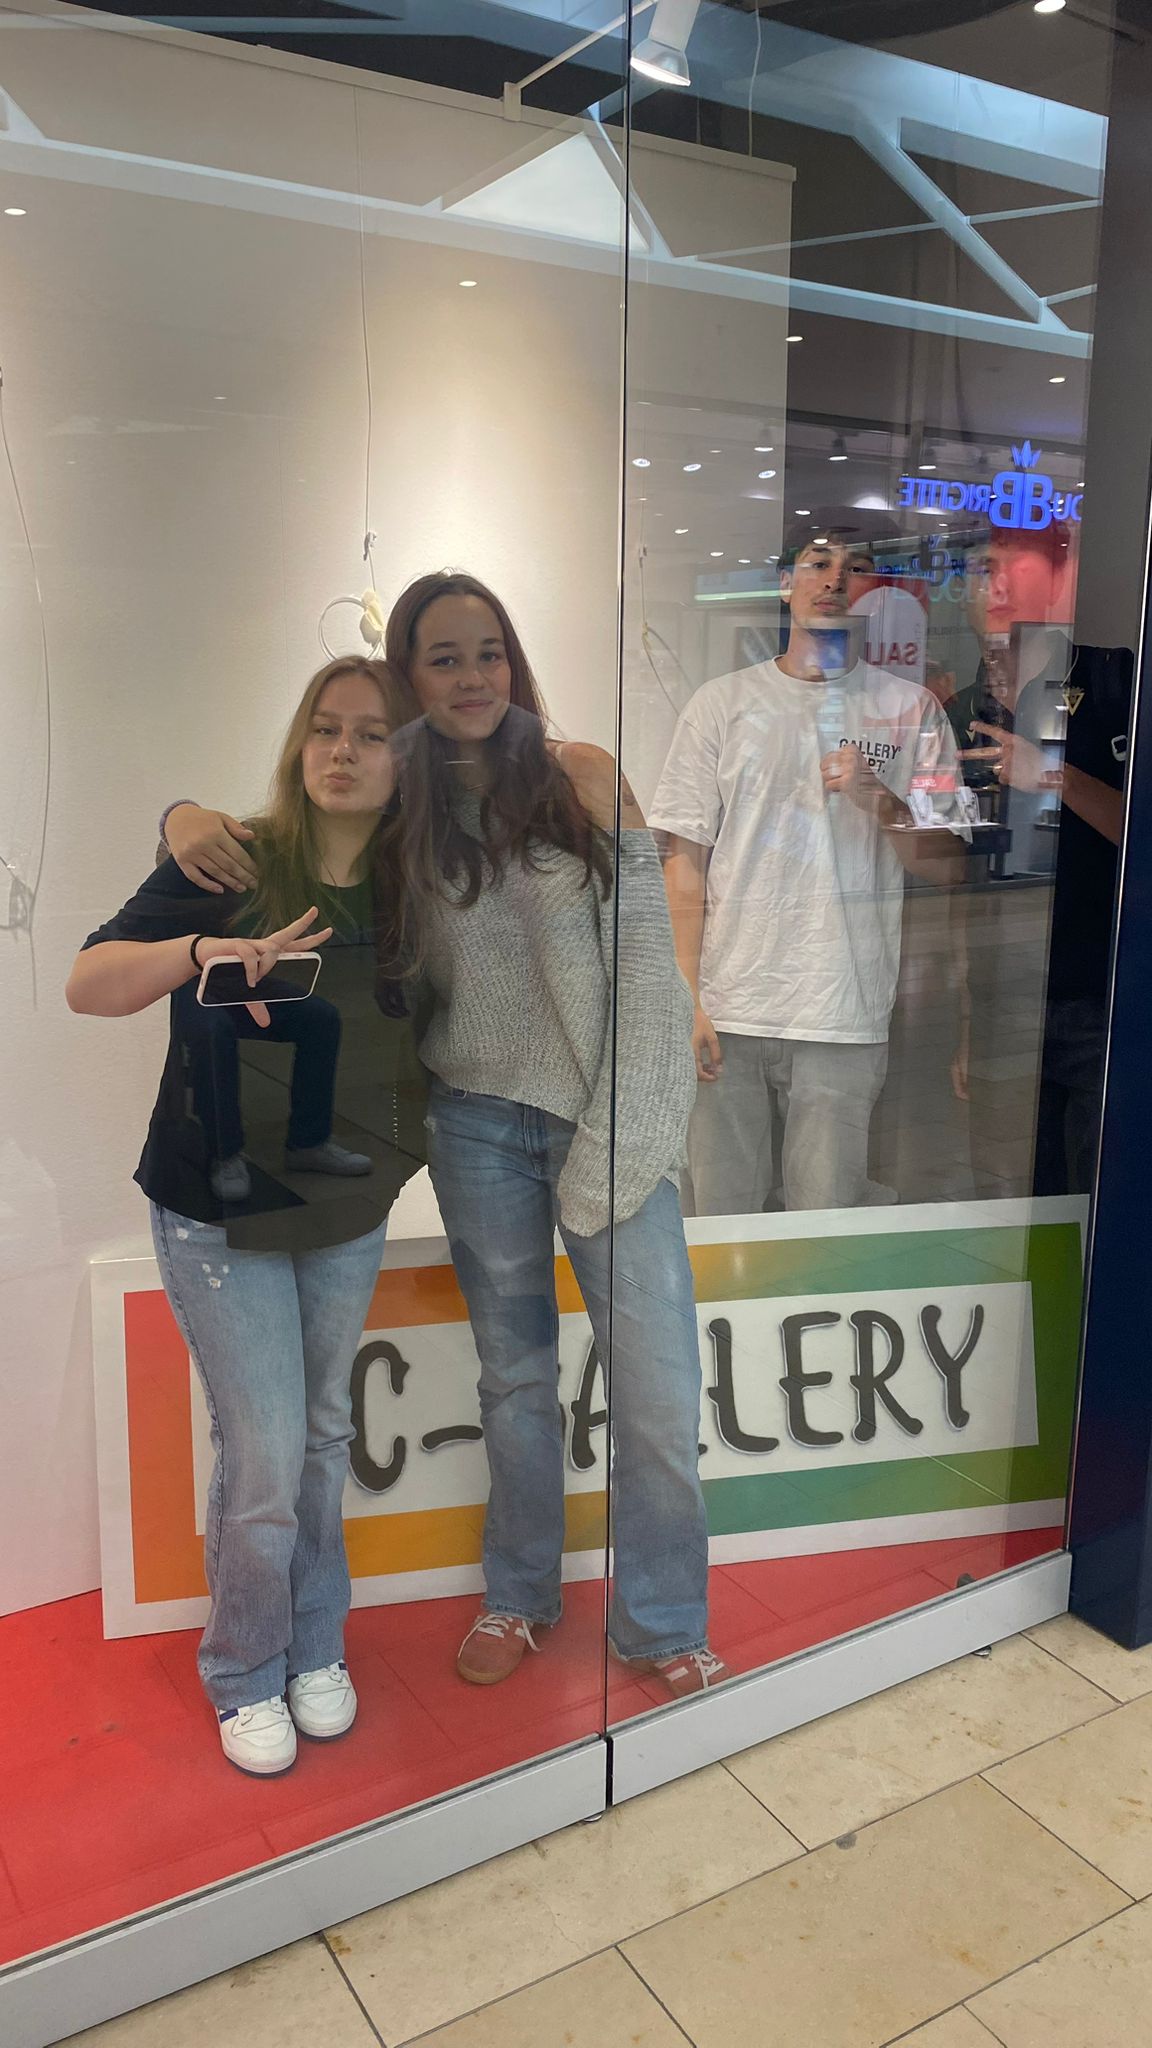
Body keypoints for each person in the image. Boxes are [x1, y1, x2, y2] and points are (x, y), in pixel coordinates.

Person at [164, 573, 726, 1701]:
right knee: (515, 1381)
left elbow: (648, 982)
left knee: (660, 1393)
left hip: (606, 1117)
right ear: (408, 680)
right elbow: (282, 830)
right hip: (473, 1125)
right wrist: (178, 817)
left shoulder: (581, 776)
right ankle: (519, 1593)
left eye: (489, 653)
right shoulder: (399, 814)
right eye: (443, 658)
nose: (473, 677)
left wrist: (612, 1149)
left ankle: (661, 1618)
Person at [67, 657, 426, 1775]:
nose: (342, 751)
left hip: (345, 1203)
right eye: (325, 727)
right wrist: (196, 950)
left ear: (406, 757)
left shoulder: (417, 882)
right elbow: (89, 982)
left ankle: (316, 1641)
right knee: (265, 1454)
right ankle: (245, 1666)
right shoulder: (232, 859)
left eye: (371, 733)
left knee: (321, 1437)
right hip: (217, 1210)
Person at [651, 517, 965, 1217]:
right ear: (785, 583)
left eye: (852, 567)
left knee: (824, 1225)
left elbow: (948, 866)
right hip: (731, 1007)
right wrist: (687, 999)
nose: (834, 579)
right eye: (818, 563)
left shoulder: (910, 711)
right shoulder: (722, 706)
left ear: (869, 588)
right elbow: (685, 864)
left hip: (842, 1010)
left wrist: (878, 799)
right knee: (719, 1221)